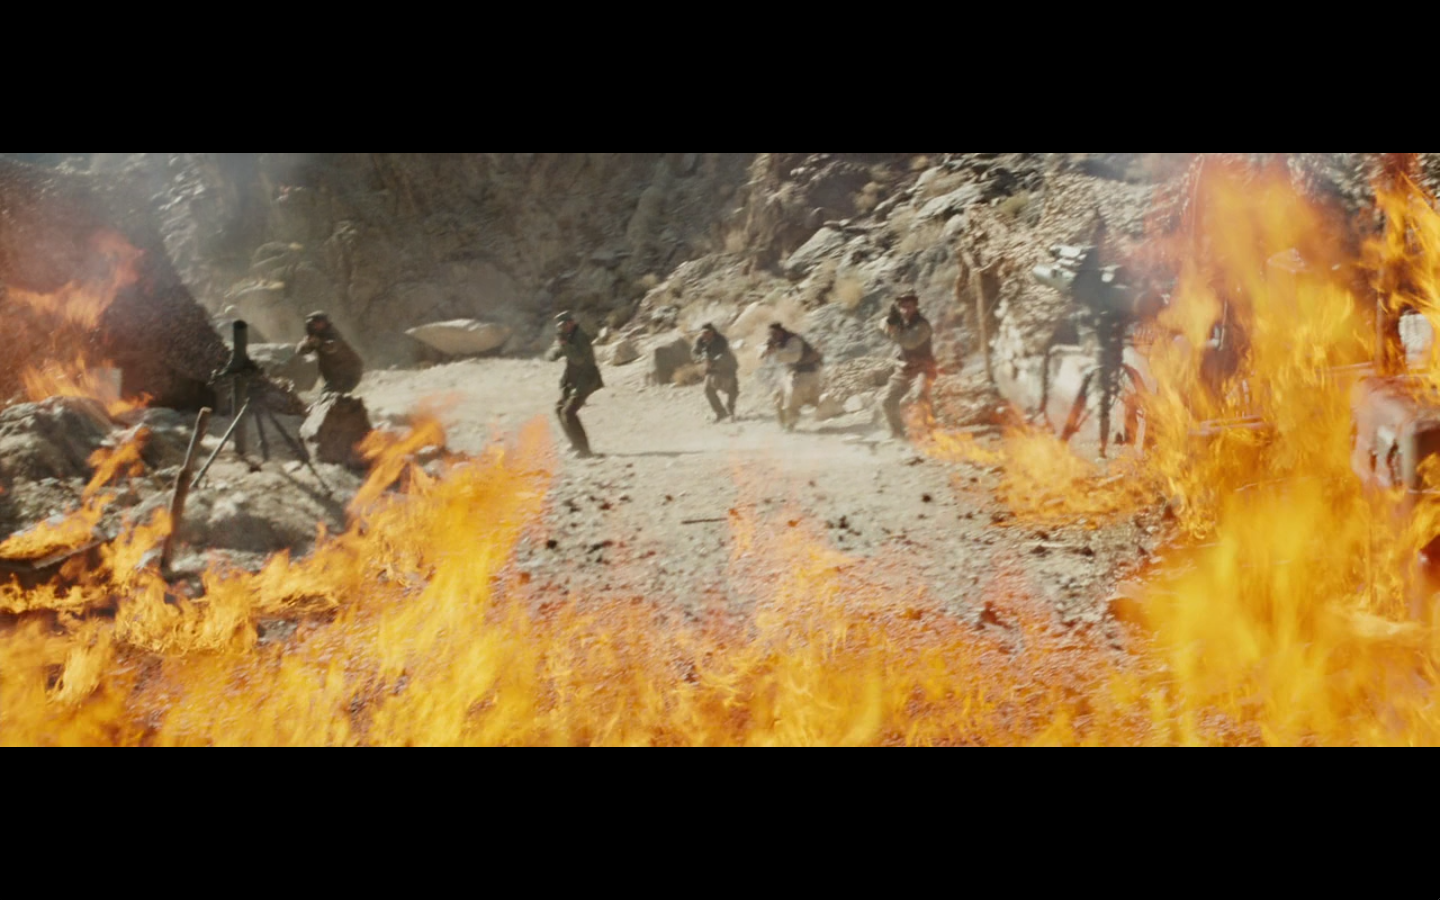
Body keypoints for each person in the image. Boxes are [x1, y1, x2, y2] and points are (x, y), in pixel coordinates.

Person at [880, 293, 938, 440]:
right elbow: (881, 328)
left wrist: (893, 330)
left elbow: (910, 343)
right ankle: (898, 434)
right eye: (903, 307)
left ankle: (928, 431)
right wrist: (888, 322)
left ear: (915, 306)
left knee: (919, 395)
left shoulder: (922, 325)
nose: (906, 310)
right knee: (887, 401)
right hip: (904, 370)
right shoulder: (901, 323)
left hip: (923, 369)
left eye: (909, 307)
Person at [547, 311, 604, 458]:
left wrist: (565, 345)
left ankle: (584, 449)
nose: (562, 328)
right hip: (573, 380)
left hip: (586, 379)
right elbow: (556, 354)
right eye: (560, 326)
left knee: (569, 412)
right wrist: (555, 350)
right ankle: (575, 444)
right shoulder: (568, 335)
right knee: (560, 409)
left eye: (564, 325)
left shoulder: (581, 337)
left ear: (571, 323)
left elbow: (578, 359)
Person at [760, 322, 823, 432]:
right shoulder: (776, 341)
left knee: (793, 395)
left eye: (774, 334)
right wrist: (765, 350)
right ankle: (783, 424)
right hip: (793, 372)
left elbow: (794, 357)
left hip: (808, 372)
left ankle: (791, 423)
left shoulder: (793, 340)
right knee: (778, 396)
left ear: (780, 332)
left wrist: (776, 352)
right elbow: (762, 352)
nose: (772, 337)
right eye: (770, 334)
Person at [296, 311, 364, 396]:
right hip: (335, 375)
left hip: (349, 372)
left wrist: (319, 343)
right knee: (333, 396)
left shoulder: (332, 333)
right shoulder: (314, 336)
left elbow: (332, 347)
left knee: (328, 395)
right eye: (315, 323)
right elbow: (300, 351)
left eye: (319, 322)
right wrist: (306, 344)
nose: (316, 326)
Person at [693, 323, 739, 422]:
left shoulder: (721, 340)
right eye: (703, 333)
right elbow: (694, 353)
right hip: (711, 369)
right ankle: (720, 413)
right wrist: (701, 359)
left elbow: (721, 353)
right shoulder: (700, 340)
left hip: (727, 367)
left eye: (707, 332)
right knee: (708, 390)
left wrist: (711, 360)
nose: (704, 335)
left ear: (712, 332)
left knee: (732, 390)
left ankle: (730, 408)